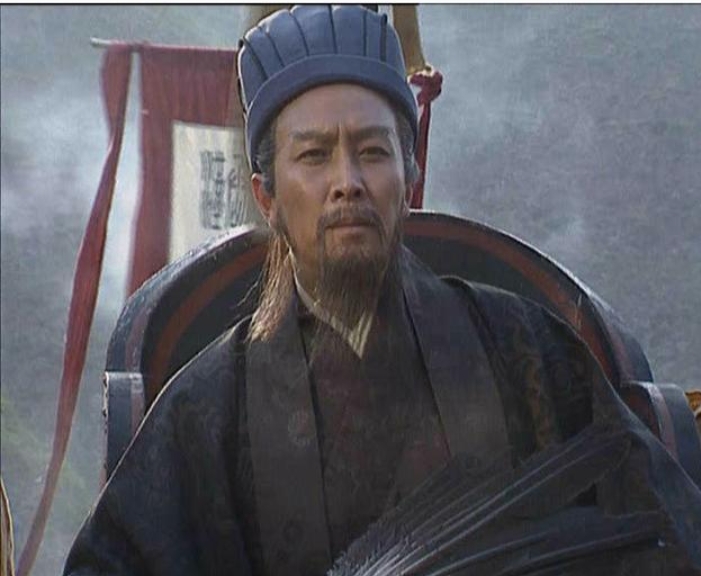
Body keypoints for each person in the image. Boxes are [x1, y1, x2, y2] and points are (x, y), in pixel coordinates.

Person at [64, 6, 700, 576]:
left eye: (372, 151)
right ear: (267, 198)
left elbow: (667, 530)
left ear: (408, 174)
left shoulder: (525, 350)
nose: (348, 181)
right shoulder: (205, 413)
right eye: (314, 156)